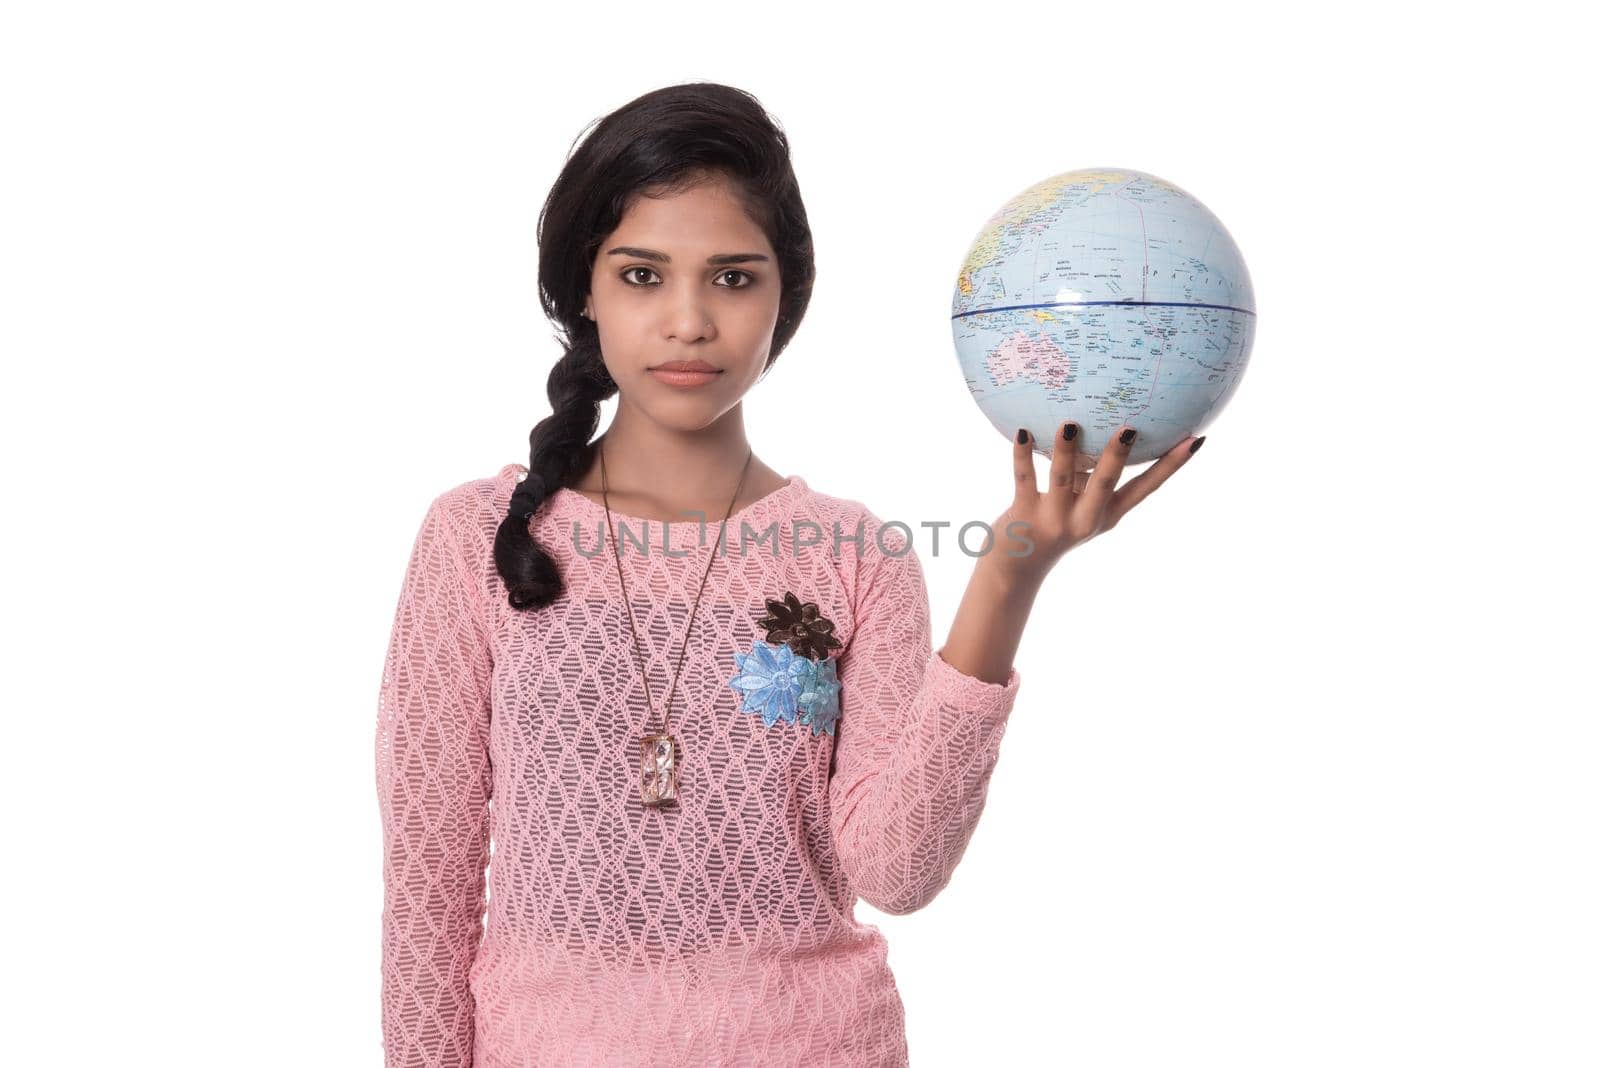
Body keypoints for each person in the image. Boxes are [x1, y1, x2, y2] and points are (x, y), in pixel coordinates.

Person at [374, 81, 1205, 1068]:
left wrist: (1011, 573)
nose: (689, 321)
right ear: (583, 291)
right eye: (643, 276)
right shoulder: (479, 535)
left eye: (732, 279)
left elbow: (895, 869)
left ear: (783, 297)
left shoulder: (853, 554)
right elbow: (428, 889)